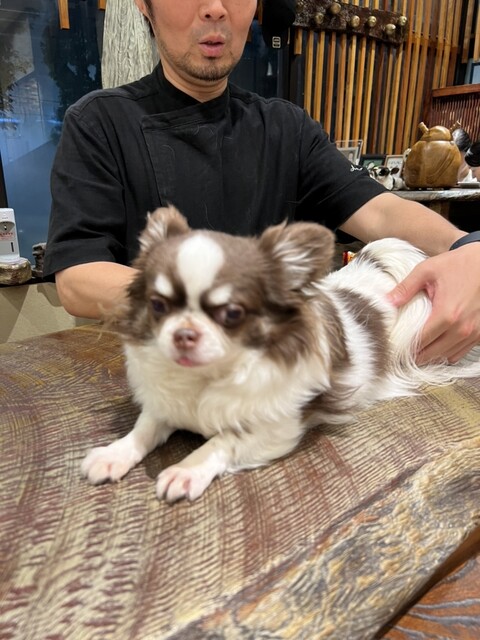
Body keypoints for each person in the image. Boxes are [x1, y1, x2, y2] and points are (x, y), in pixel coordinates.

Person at [43, 0, 480, 365]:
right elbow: (79, 278)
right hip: (156, 372)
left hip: (274, 376)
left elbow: (380, 210)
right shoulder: (100, 122)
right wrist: (213, 309)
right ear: (144, 4)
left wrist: (468, 248)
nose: (215, 9)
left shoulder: (286, 127)